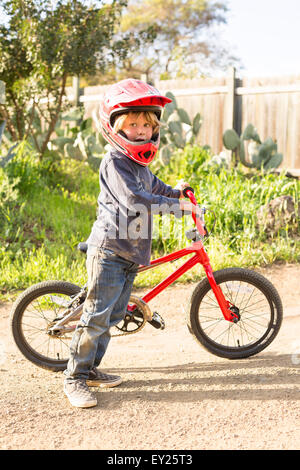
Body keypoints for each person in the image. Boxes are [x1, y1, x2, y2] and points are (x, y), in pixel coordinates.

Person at [63, 79, 199, 408]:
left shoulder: (140, 165)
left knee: (112, 316)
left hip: (130, 255)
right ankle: (74, 378)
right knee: (96, 317)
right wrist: (174, 206)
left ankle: (92, 369)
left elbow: (158, 188)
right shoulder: (114, 163)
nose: (140, 131)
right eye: (133, 124)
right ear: (115, 127)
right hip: (109, 250)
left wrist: (178, 194)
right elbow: (136, 199)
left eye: (146, 125)